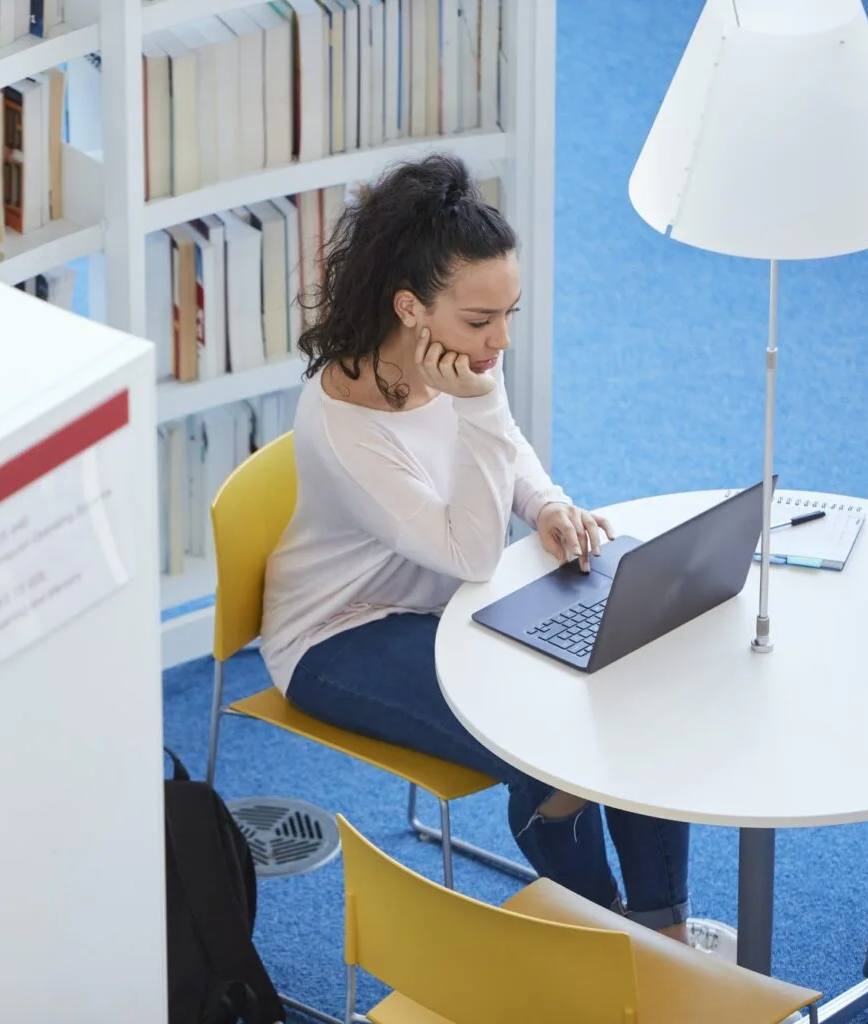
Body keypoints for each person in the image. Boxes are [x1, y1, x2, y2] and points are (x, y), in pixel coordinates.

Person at [259, 153, 736, 959]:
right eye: (482, 322)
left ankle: (665, 933)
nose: (500, 339)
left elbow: (502, 450)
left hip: (440, 603)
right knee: (548, 755)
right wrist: (483, 399)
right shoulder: (347, 425)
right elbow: (471, 553)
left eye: (509, 314)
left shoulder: (452, 357)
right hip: (339, 634)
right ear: (411, 307)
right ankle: (614, 942)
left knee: (628, 677)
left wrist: (545, 502)